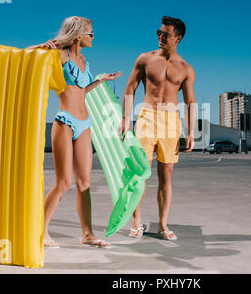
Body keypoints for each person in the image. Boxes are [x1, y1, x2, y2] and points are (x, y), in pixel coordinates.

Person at [27, 16, 122, 248]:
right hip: (65, 122)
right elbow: (24, 55)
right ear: (79, 35)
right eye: (91, 34)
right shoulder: (61, 54)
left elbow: (83, 90)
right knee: (63, 182)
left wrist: (101, 80)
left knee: (84, 183)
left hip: (84, 122)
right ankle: (39, 231)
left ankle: (87, 234)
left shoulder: (83, 60)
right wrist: (41, 46)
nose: (93, 37)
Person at [119, 16, 196, 241]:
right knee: (140, 172)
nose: (161, 37)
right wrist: (126, 119)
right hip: (146, 117)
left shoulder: (186, 69)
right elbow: (130, 88)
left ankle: (162, 225)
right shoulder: (145, 59)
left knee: (166, 176)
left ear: (178, 38)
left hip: (171, 121)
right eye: (159, 33)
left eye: (166, 34)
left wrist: (191, 132)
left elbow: (190, 102)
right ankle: (136, 221)